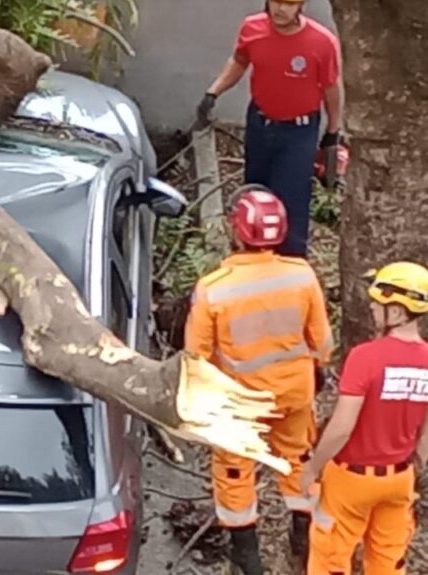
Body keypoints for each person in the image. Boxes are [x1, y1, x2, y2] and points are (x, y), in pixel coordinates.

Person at [185, 184, 334, 575]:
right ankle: (303, 539)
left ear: (237, 231)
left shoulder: (214, 290)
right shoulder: (301, 277)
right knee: (299, 461)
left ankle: (247, 556)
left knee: (235, 472)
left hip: (238, 404)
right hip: (294, 395)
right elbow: (324, 344)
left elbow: (195, 358)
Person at [301, 262, 428, 575]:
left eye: (379, 303)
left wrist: (312, 468)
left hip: (351, 480)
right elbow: (426, 433)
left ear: (397, 312)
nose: (372, 307)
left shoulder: (365, 357)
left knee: (330, 559)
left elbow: (342, 428)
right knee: (388, 561)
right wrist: (416, 468)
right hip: (399, 479)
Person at [196, 0, 343, 259]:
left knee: (291, 202)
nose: (280, 9)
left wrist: (333, 132)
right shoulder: (253, 28)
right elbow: (239, 61)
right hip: (260, 124)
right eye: (276, 1)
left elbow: (331, 88)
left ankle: (291, 264)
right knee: (255, 194)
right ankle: (251, 259)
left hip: (298, 133)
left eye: (289, 3)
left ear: (301, 5)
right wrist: (213, 92)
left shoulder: (321, 42)